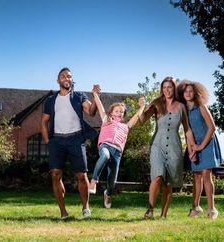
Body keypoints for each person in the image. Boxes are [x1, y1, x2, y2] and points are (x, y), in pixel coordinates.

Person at [40, 67, 98, 219]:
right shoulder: (51, 100)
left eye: (69, 76)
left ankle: (85, 207)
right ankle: (63, 212)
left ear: (72, 80)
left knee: (81, 174)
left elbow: (90, 111)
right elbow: (44, 122)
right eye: (63, 76)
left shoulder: (79, 96)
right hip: (57, 141)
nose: (67, 78)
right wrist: (48, 142)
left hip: (75, 139)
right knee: (56, 175)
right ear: (58, 80)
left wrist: (96, 97)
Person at [138, 76, 195, 219]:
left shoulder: (181, 107)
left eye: (169, 87)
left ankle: (163, 215)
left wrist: (192, 148)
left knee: (168, 184)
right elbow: (143, 120)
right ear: (161, 89)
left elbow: (187, 130)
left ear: (174, 88)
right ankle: (150, 209)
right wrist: (141, 107)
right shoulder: (157, 104)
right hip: (157, 146)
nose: (167, 90)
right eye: (164, 87)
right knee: (157, 177)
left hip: (175, 149)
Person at [88, 86, 145, 208]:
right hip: (105, 146)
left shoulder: (126, 126)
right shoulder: (106, 120)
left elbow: (136, 117)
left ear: (123, 115)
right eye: (117, 111)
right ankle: (93, 181)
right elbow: (100, 106)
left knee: (112, 180)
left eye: (121, 112)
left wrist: (142, 107)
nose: (119, 113)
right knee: (105, 156)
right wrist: (95, 94)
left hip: (117, 152)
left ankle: (108, 193)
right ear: (111, 113)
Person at [178, 80, 222, 219]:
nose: (188, 93)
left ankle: (212, 209)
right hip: (193, 145)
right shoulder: (184, 110)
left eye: (191, 91)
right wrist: (192, 150)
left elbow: (212, 127)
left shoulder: (201, 106)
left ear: (196, 92)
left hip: (207, 144)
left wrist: (201, 146)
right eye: (185, 91)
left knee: (206, 175)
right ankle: (196, 208)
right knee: (196, 176)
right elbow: (187, 132)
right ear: (182, 94)